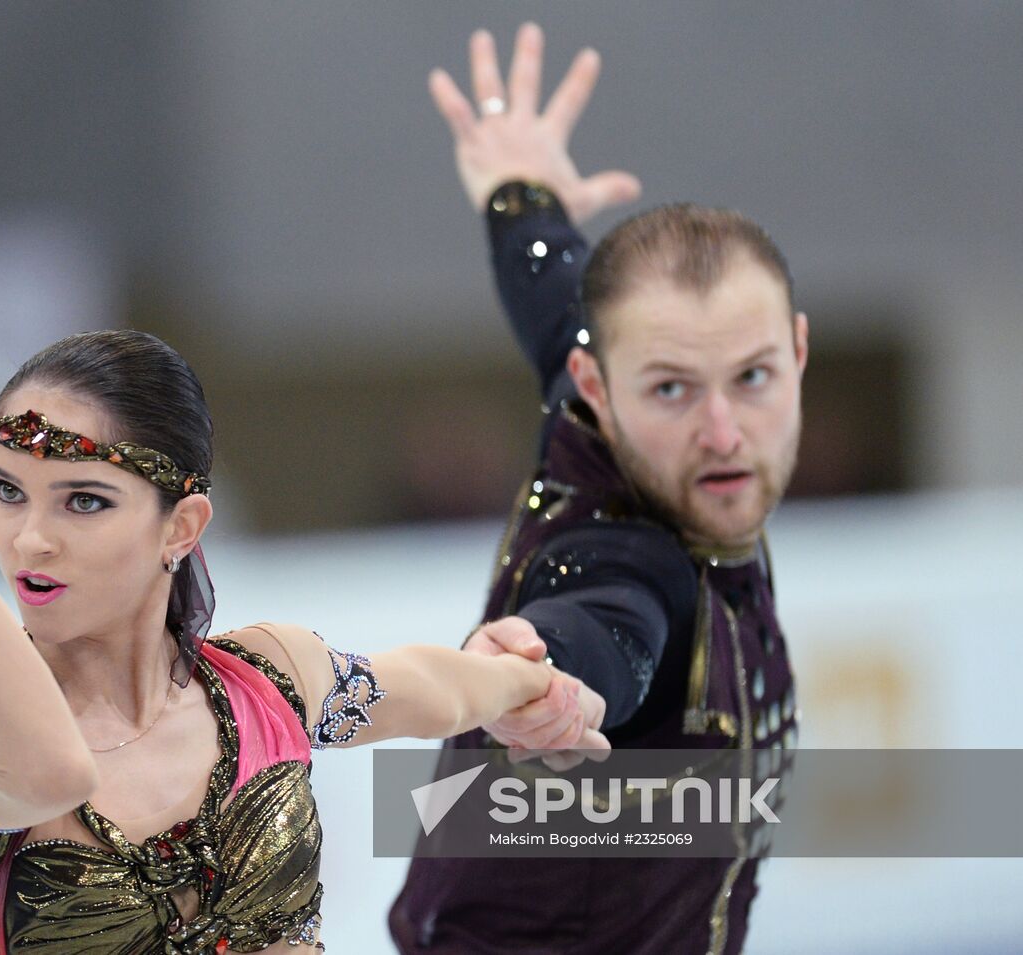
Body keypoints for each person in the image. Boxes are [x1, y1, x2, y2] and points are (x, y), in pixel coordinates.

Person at [0, 329, 609, 954]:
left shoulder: (271, 679)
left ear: (180, 525)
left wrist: (537, 690)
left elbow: (442, 684)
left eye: (82, 500)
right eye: (6, 490)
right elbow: (50, 775)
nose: (31, 538)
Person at [388, 23, 806, 955]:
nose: (724, 432)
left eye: (752, 375)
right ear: (598, 391)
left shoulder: (613, 366)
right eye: (671, 389)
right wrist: (551, 677)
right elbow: (603, 620)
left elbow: (555, 296)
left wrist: (520, 196)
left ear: (799, 352)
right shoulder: (628, 553)